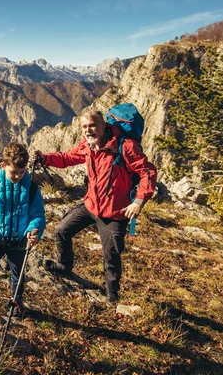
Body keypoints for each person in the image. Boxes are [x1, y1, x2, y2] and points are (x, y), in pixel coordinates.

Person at [35, 109, 157, 303]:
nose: (88, 130)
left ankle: (112, 294)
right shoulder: (87, 145)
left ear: (104, 125)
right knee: (61, 230)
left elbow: (147, 172)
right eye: (84, 126)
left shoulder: (125, 147)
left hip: (115, 213)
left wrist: (138, 202)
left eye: (92, 125)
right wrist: (45, 158)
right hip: (91, 205)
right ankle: (64, 266)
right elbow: (68, 158)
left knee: (111, 255)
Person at [0, 143, 45, 326]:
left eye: (22, 172)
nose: (18, 176)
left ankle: (15, 304)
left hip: (20, 241)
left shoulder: (31, 188)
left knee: (18, 275)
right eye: (14, 172)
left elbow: (37, 215)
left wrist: (33, 231)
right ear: (3, 165)